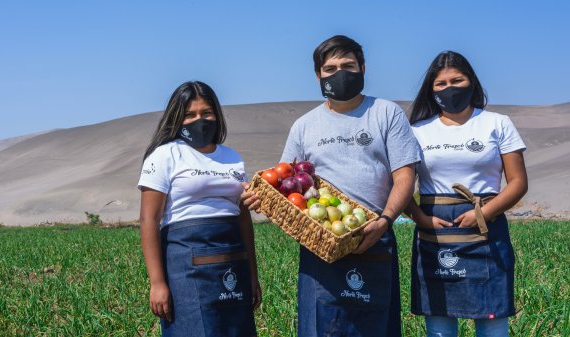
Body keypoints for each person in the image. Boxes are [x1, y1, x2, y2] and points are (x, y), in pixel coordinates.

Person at [242, 35, 421, 337]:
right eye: (330, 68)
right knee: (321, 327)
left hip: (374, 236)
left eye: (348, 65)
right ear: (318, 75)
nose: (339, 73)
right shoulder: (304, 125)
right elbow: (285, 183)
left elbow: (405, 177)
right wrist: (262, 197)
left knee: (376, 327)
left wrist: (385, 220)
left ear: (363, 68)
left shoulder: (386, 113)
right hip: (320, 242)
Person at [406, 51, 528, 337]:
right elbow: (399, 185)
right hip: (434, 233)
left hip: (487, 225)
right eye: (441, 84)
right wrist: (422, 219)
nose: (449, 88)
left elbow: (518, 182)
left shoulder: (498, 123)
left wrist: (483, 213)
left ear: (471, 82)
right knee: (439, 325)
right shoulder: (416, 131)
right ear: (431, 89)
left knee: (493, 321)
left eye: (457, 80)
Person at [138, 81, 261, 337]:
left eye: (206, 113)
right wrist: (157, 283)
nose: (199, 120)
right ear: (177, 119)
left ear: (216, 114)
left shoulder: (232, 157)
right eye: (190, 115)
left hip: (232, 261)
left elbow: (243, 218)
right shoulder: (164, 156)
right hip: (186, 264)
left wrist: (252, 274)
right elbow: (149, 220)